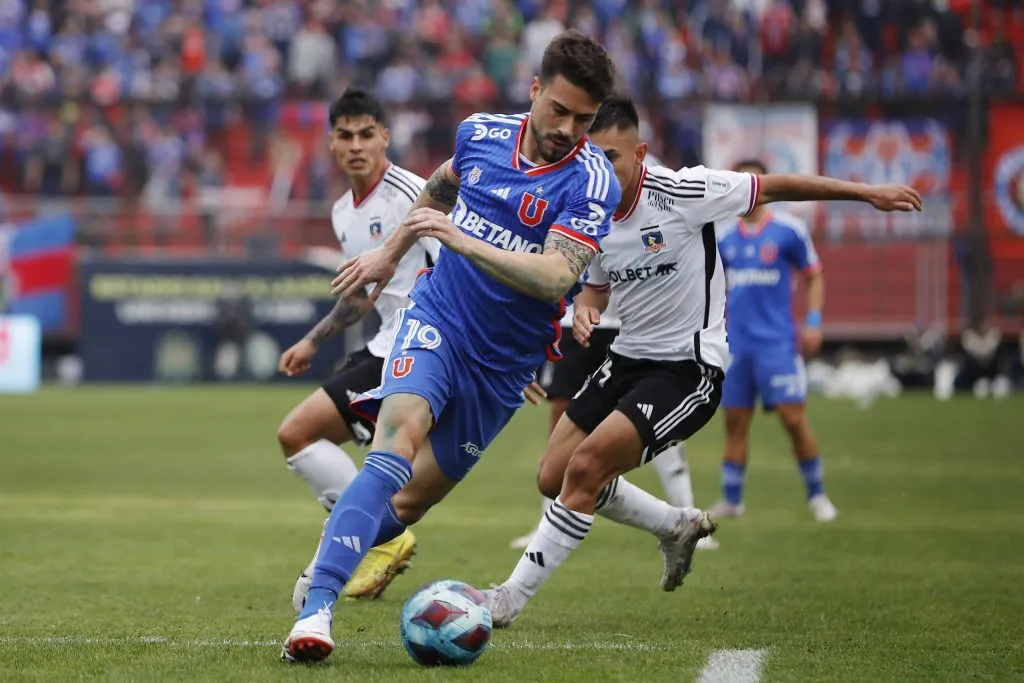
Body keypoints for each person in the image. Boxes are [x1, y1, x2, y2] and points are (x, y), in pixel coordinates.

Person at [480, 96, 923, 627]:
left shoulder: (683, 190)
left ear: (641, 152)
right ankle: (674, 524)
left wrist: (867, 193)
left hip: (686, 370)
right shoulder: (590, 211)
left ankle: (507, 600)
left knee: (586, 469)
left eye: (612, 156)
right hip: (624, 359)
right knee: (553, 477)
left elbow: (777, 186)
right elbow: (595, 291)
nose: (600, 169)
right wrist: (583, 311)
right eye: (590, 157)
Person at [282, 31, 621, 663]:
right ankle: (318, 607)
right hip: (437, 319)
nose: (568, 128)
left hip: (505, 366)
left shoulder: (590, 181)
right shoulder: (481, 134)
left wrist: (460, 239)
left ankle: (329, 558)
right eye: (560, 110)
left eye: (585, 118)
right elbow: (440, 188)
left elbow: (554, 276)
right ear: (535, 90)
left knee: (410, 503)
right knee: (394, 448)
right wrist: (389, 253)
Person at [275, 90, 437, 605]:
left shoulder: (416, 193)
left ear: (385, 136)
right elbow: (362, 297)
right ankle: (378, 536)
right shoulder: (344, 211)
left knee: (297, 432)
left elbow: (460, 262)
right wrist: (312, 338)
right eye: (345, 135)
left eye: (367, 133)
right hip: (385, 342)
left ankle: (377, 538)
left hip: (420, 346)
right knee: (304, 438)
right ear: (331, 143)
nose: (356, 145)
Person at [509, 293, 707, 550]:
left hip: (632, 327)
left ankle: (687, 509)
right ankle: (545, 523)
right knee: (561, 422)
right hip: (574, 323)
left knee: (650, 416)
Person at [710, 159, 837, 522]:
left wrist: (813, 322)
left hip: (777, 344)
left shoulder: (788, 230)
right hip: (736, 346)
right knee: (735, 422)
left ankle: (818, 496)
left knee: (793, 419)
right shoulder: (722, 235)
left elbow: (813, 275)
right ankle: (731, 500)